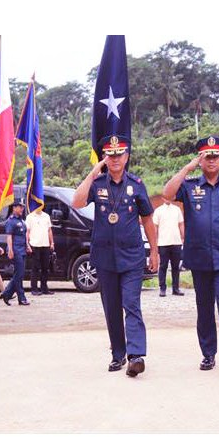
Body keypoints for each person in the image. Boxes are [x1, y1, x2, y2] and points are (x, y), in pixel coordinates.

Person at [71, 134, 158, 376]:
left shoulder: (136, 184)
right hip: (105, 257)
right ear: (105, 158)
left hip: (131, 256)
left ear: (127, 156)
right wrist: (93, 172)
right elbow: (77, 202)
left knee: (131, 304)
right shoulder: (97, 185)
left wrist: (154, 250)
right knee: (112, 308)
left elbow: (148, 220)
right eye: (110, 155)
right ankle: (118, 355)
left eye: (119, 154)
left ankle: (136, 355)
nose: (115, 159)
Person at [163, 136, 219, 373]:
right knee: (204, 307)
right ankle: (208, 354)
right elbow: (167, 194)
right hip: (199, 258)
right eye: (207, 157)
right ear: (201, 160)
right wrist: (187, 168)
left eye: (216, 157)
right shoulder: (190, 186)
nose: (212, 161)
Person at [153, 194, 185, 296]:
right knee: (163, 266)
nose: (168, 199)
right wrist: (155, 240)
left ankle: (176, 288)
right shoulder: (158, 211)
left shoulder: (176, 209)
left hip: (176, 242)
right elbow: (155, 227)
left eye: (170, 197)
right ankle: (162, 288)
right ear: (163, 198)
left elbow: (181, 224)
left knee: (176, 267)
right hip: (163, 242)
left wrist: (183, 237)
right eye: (166, 197)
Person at [0, 201, 30, 306]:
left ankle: (6, 293)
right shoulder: (11, 221)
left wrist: (27, 245)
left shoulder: (21, 220)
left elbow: (23, 235)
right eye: (19, 207)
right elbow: (9, 236)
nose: (22, 209)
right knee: (19, 274)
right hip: (16, 250)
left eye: (22, 207)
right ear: (14, 208)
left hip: (22, 249)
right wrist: (10, 250)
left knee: (19, 274)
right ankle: (21, 298)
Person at [25, 205, 54, 295]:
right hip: (35, 244)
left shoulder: (46, 216)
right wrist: (27, 244)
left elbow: (49, 230)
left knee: (45, 268)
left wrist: (52, 242)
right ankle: (34, 288)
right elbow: (27, 231)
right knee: (35, 268)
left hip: (45, 244)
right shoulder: (30, 217)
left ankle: (44, 288)